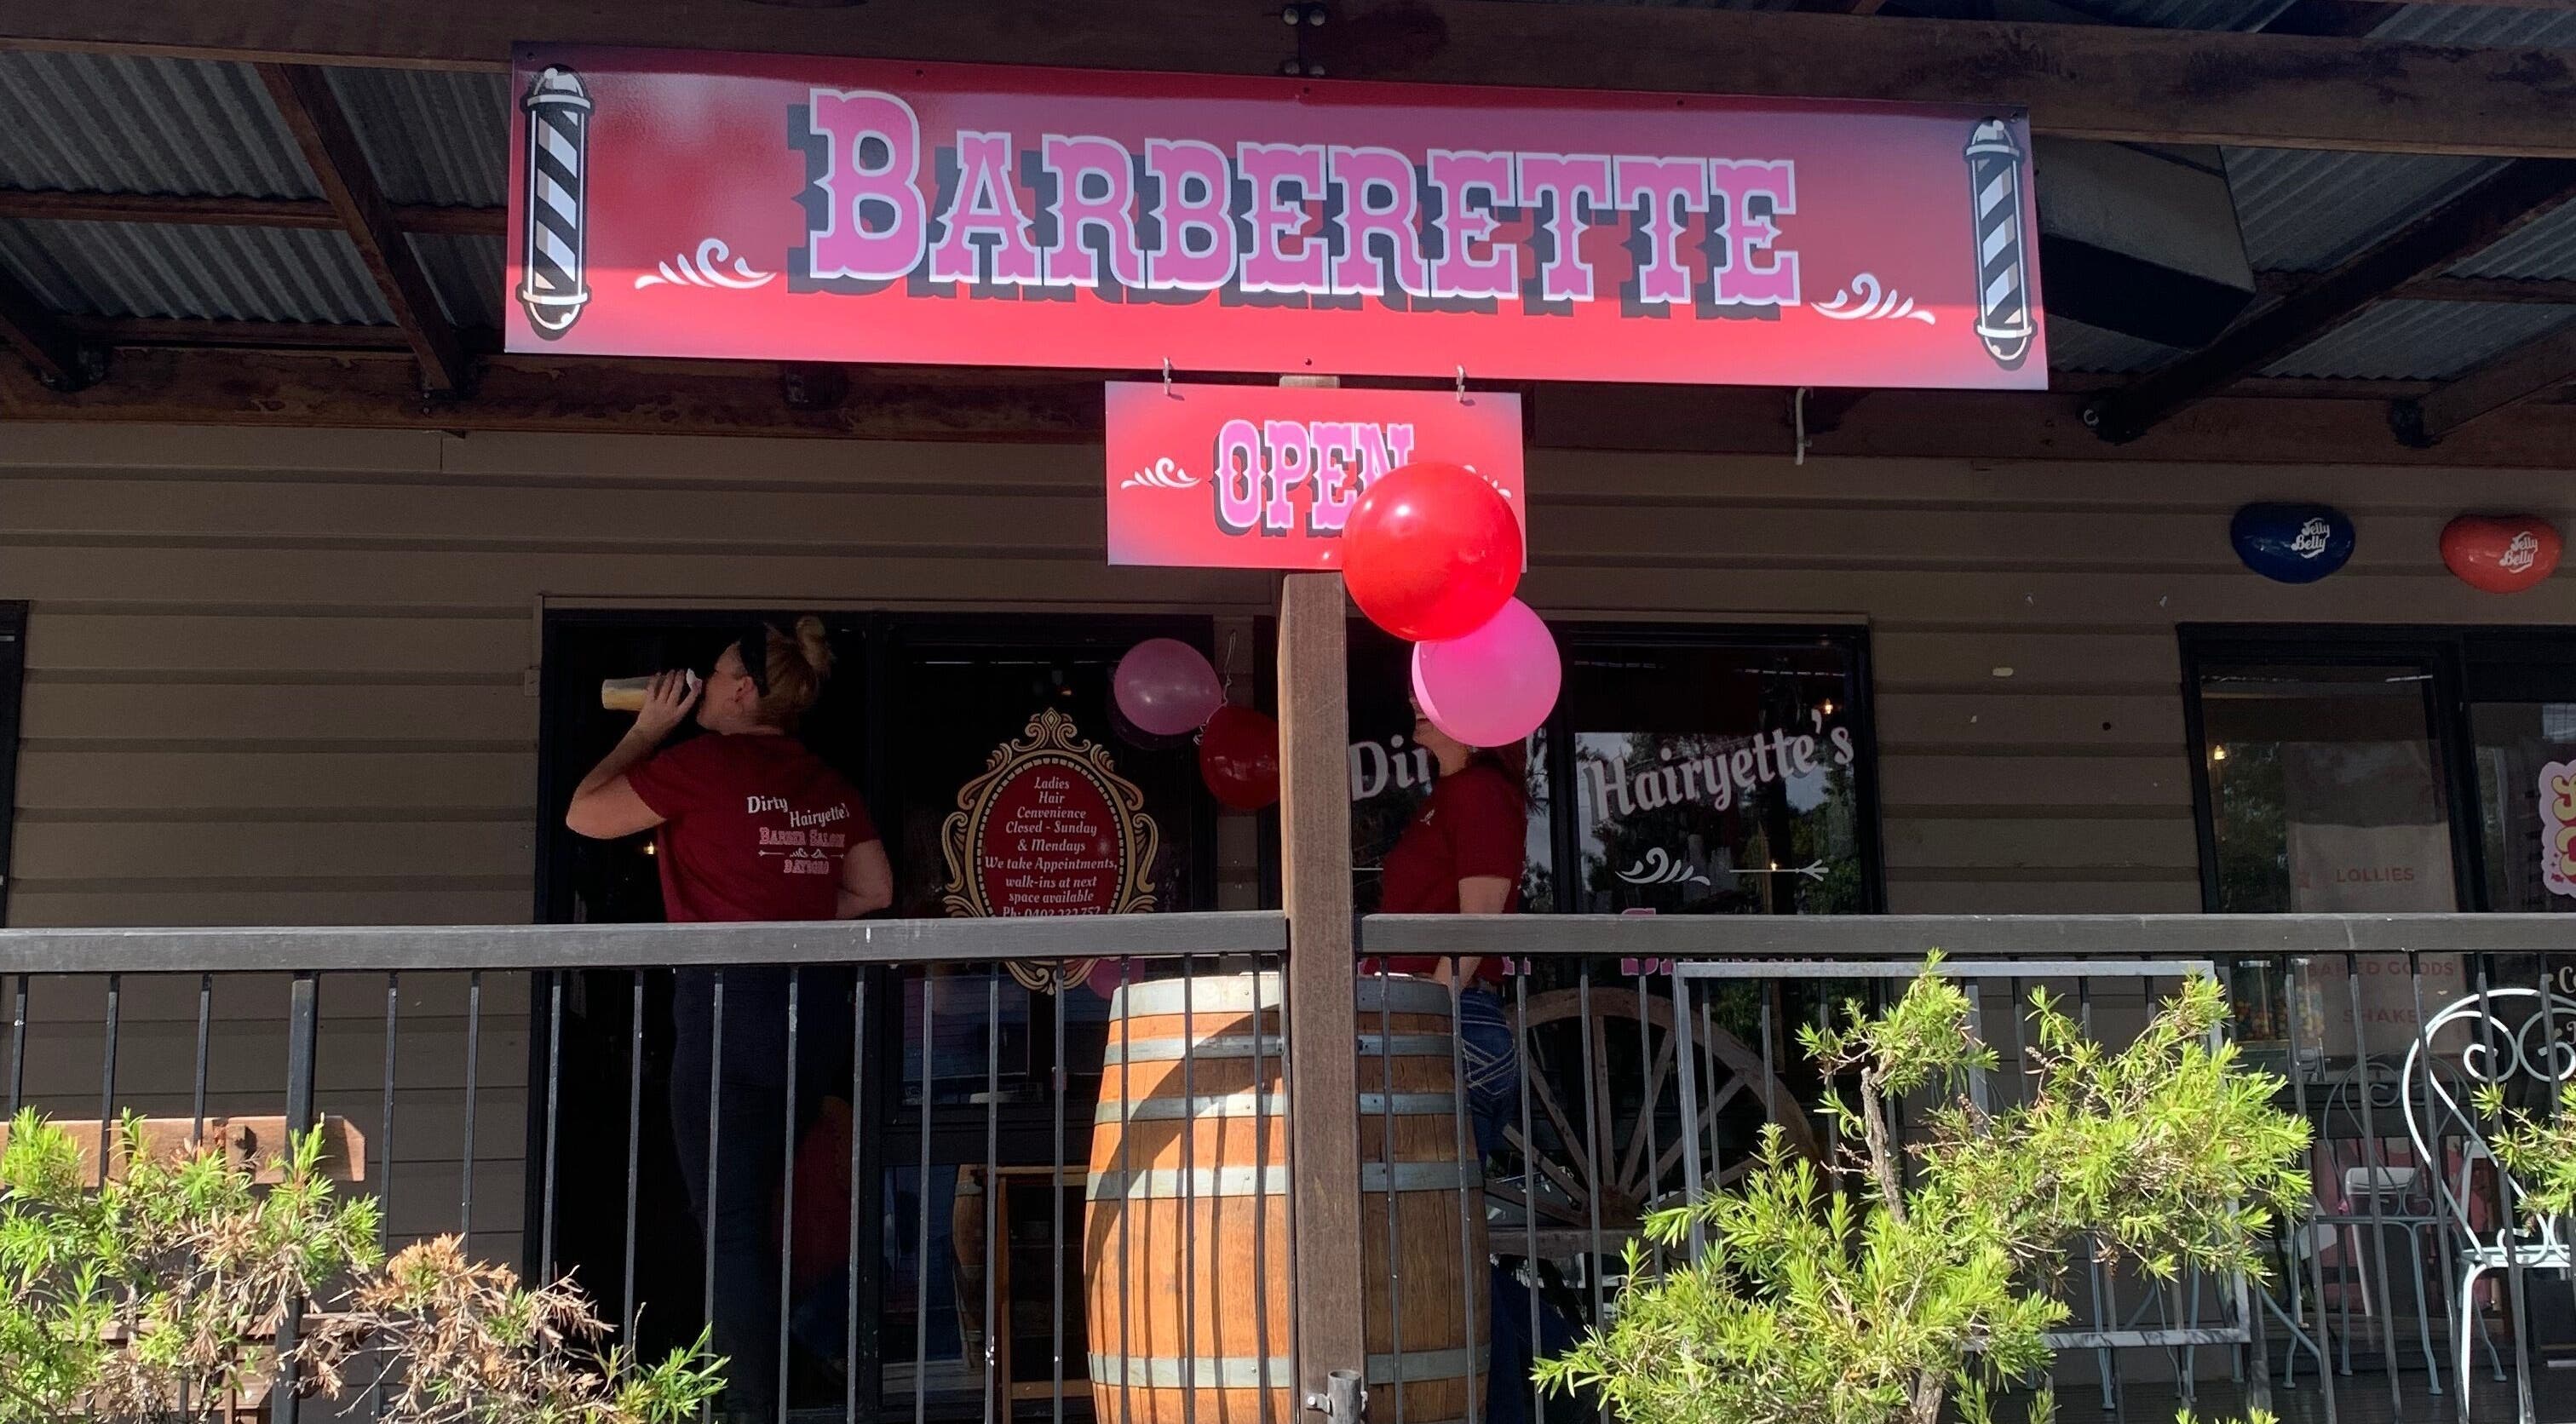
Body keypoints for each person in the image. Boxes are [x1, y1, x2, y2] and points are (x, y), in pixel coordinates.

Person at [566, 617, 892, 1421]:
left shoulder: (701, 767)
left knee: (732, 1222)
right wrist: (793, 916)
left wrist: (646, 730)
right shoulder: (823, 780)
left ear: (743, 691)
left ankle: (751, 1404)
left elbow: (585, 813)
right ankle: (789, 1376)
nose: (698, 684)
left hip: (728, 1008)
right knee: (766, 1210)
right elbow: (874, 888)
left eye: (711, 674)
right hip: (810, 1013)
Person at [1367, 699, 1527, 1157]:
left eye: (1433, 694)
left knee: (1427, 1189)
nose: (1414, 700)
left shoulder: (1481, 792)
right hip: (1430, 1013)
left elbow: (1479, 921)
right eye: (1415, 692)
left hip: (1453, 1018)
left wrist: (1432, 1010)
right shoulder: (1449, 794)